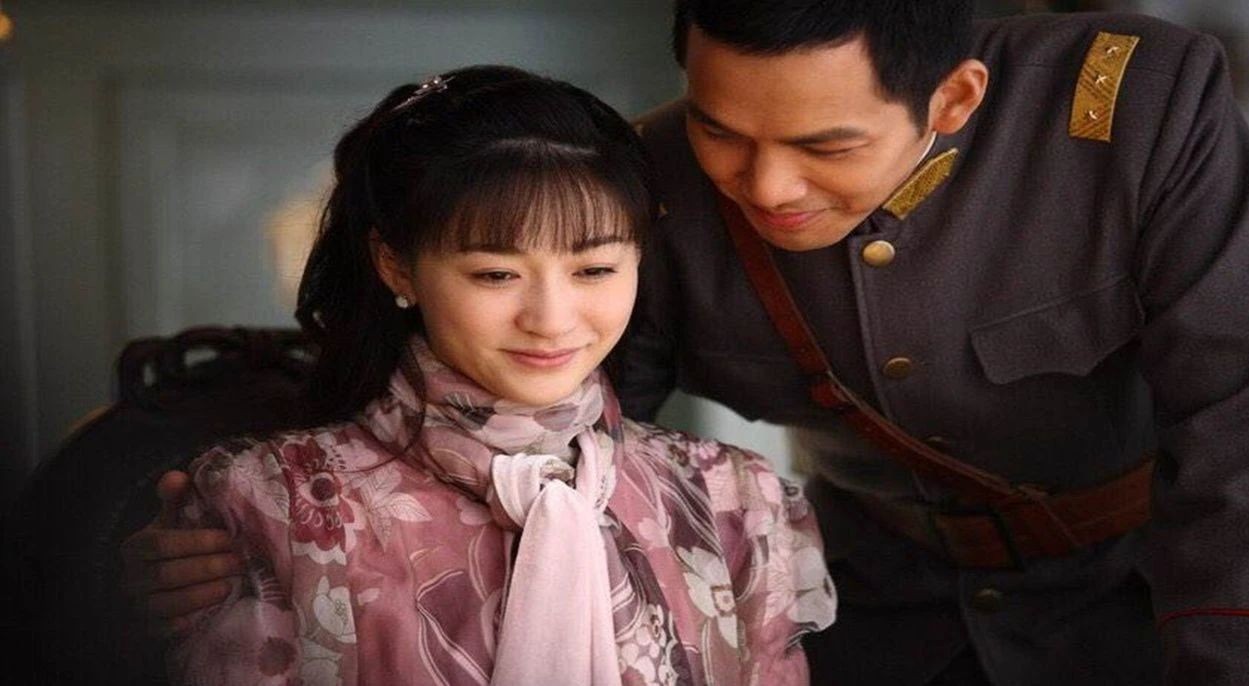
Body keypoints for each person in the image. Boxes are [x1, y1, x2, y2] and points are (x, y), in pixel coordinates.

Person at [126, 2, 1249, 684]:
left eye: (824, 146)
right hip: (873, 617)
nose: (763, 187)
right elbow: (538, 430)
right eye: (720, 130)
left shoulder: (1129, 116)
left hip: (1134, 601)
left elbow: (1245, 415)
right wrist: (251, 523)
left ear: (954, 100)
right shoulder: (639, 188)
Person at [154, 65, 834, 685]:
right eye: (496, 275)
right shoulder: (270, 503)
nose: (551, 320)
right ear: (396, 266)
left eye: (595, 269)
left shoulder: (735, 500)